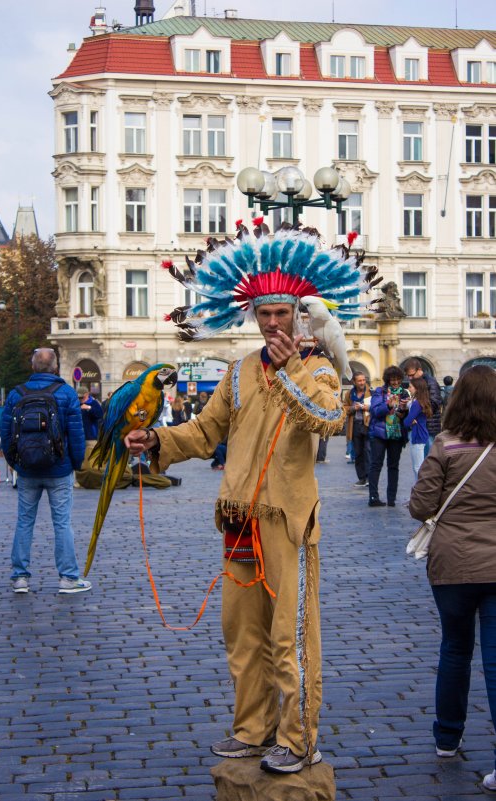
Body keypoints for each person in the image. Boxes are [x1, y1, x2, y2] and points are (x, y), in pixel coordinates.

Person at [125, 222, 374, 774]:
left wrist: (290, 371)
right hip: (238, 519)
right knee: (243, 636)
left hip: (287, 522)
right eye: (263, 314)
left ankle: (298, 738)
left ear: (298, 315)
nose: (272, 323)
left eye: (281, 313)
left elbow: (330, 420)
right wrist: (159, 439)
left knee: (290, 637)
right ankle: (253, 729)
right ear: (253, 316)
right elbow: (206, 431)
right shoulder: (238, 372)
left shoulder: (317, 369)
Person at [409, 365, 496, 793]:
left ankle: (447, 738)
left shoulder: (444, 445)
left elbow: (419, 505)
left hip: (453, 566)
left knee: (455, 650)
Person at [1, 348, 91, 594]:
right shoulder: (66, 393)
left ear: (33, 367)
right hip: (59, 469)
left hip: (27, 470)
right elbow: (76, 434)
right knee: (62, 523)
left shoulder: (16, 394)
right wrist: (75, 464)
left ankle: (20, 577)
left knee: (24, 522)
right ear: (55, 368)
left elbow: (6, 434)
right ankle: (68, 578)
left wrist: (15, 461)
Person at [368, 365, 409, 507]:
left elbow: (406, 416)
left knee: (393, 466)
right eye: (393, 380)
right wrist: (388, 405)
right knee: (376, 464)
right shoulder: (380, 391)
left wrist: (404, 410)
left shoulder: (404, 393)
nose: (396, 382)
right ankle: (373, 497)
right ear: (387, 380)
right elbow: (374, 410)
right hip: (379, 433)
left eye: (398, 379)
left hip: (396, 433)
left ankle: (391, 498)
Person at [403, 358, 442, 456]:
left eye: (412, 375)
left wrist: (416, 409)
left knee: (427, 462)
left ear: (419, 370)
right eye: (408, 376)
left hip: (428, 426)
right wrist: (410, 403)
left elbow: (435, 403)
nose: (410, 378)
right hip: (423, 426)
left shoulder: (430, 381)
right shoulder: (419, 381)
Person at [343, 371, 372, 487]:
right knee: (358, 453)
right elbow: (344, 407)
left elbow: (377, 406)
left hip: (367, 425)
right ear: (354, 382)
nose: (362, 382)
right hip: (354, 425)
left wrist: (367, 407)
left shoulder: (371, 392)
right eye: (359, 380)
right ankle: (362, 478)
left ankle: (370, 477)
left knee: (368, 451)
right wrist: (352, 408)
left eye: (364, 380)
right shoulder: (349, 394)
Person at [403, 376, 431, 480]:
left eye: (410, 387)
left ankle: (420, 492)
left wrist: (409, 421)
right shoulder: (419, 401)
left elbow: (406, 422)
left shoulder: (416, 403)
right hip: (421, 434)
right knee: (419, 466)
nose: (409, 389)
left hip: (418, 435)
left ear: (417, 388)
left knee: (418, 467)